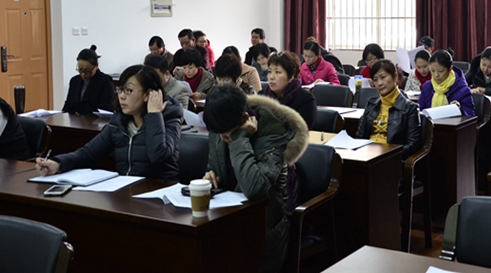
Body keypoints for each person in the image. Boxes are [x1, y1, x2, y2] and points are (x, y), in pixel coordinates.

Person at [202, 84, 308, 272]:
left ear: (245, 119)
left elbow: (254, 189)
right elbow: (215, 166)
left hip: (264, 228)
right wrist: (210, 176)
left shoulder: (273, 133)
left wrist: (239, 139)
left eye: (227, 135)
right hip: (227, 219)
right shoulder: (222, 125)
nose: (223, 139)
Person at [37, 65, 183, 182]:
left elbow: (157, 156)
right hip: (126, 191)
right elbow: (88, 154)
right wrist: (58, 164)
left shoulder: (169, 117)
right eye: (120, 89)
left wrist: (154, 114)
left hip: (159, 194)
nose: (122, 96)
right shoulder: (119, 121)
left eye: (129, 90)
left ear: (148, 94)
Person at [356, 60, 421, 158]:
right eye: (375, 80)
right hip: (367, 157)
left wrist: (386, 154)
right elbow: (359, 138)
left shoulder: (410, 108)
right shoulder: (371, 104)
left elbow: (412, 145)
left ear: (395, 77)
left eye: (383, 77)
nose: (379, 83)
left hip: (390, 158)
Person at [260, 51, 317, 128]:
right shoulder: (261, 96)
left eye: (277, 72)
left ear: (291, 75)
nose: (271, 77)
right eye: (269, 71)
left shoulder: (306, 100)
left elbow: (302, 130)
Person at [418, 49, 475, 117]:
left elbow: (470, 116)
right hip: (430, 123)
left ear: (450, 69)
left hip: (451, 124)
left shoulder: (463, 90)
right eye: (432, 71)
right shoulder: (427, 86)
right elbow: (420, 111)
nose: (436, 75)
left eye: (440, 71)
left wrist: (459, 110)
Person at [62, 45, 114, 115]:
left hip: (95, 120)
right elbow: (68, 106)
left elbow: (105, 109)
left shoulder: (105, 81)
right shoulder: (74, 81)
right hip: (75, 120)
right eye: (80, 70)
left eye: (87, 71)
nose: (83, 74)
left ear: (96, 66)